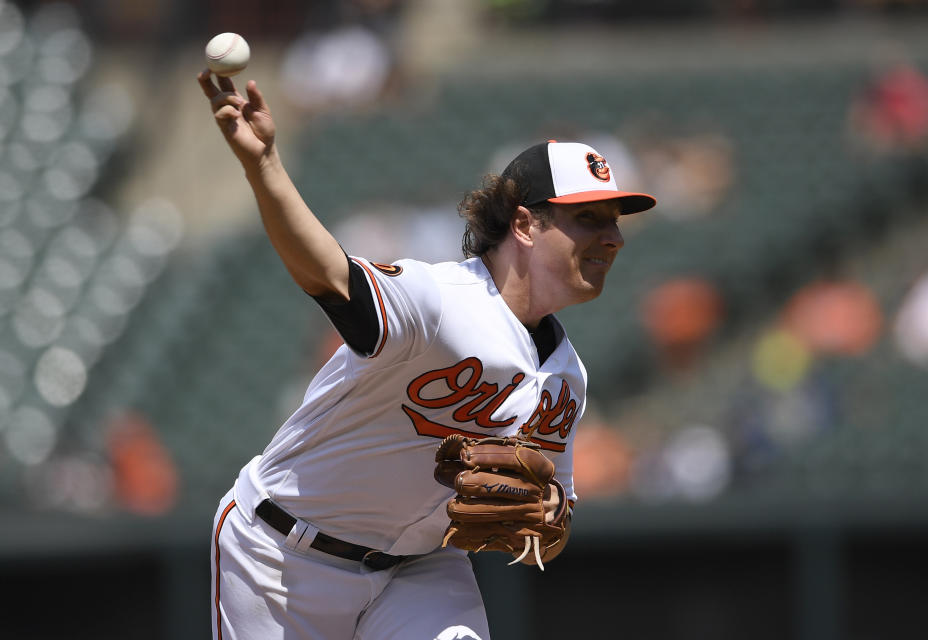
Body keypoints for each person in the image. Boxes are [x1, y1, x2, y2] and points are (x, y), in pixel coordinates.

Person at [197, 68, 656, 640]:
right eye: (588, 218)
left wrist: (544, 520)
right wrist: (263, 166)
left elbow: (548, 521)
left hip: (421, 570)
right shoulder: (439, 299)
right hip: (281, 555)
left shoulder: (568, 377)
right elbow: (329, 275)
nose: (612, 237)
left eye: (615, 221)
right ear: (524, 223)